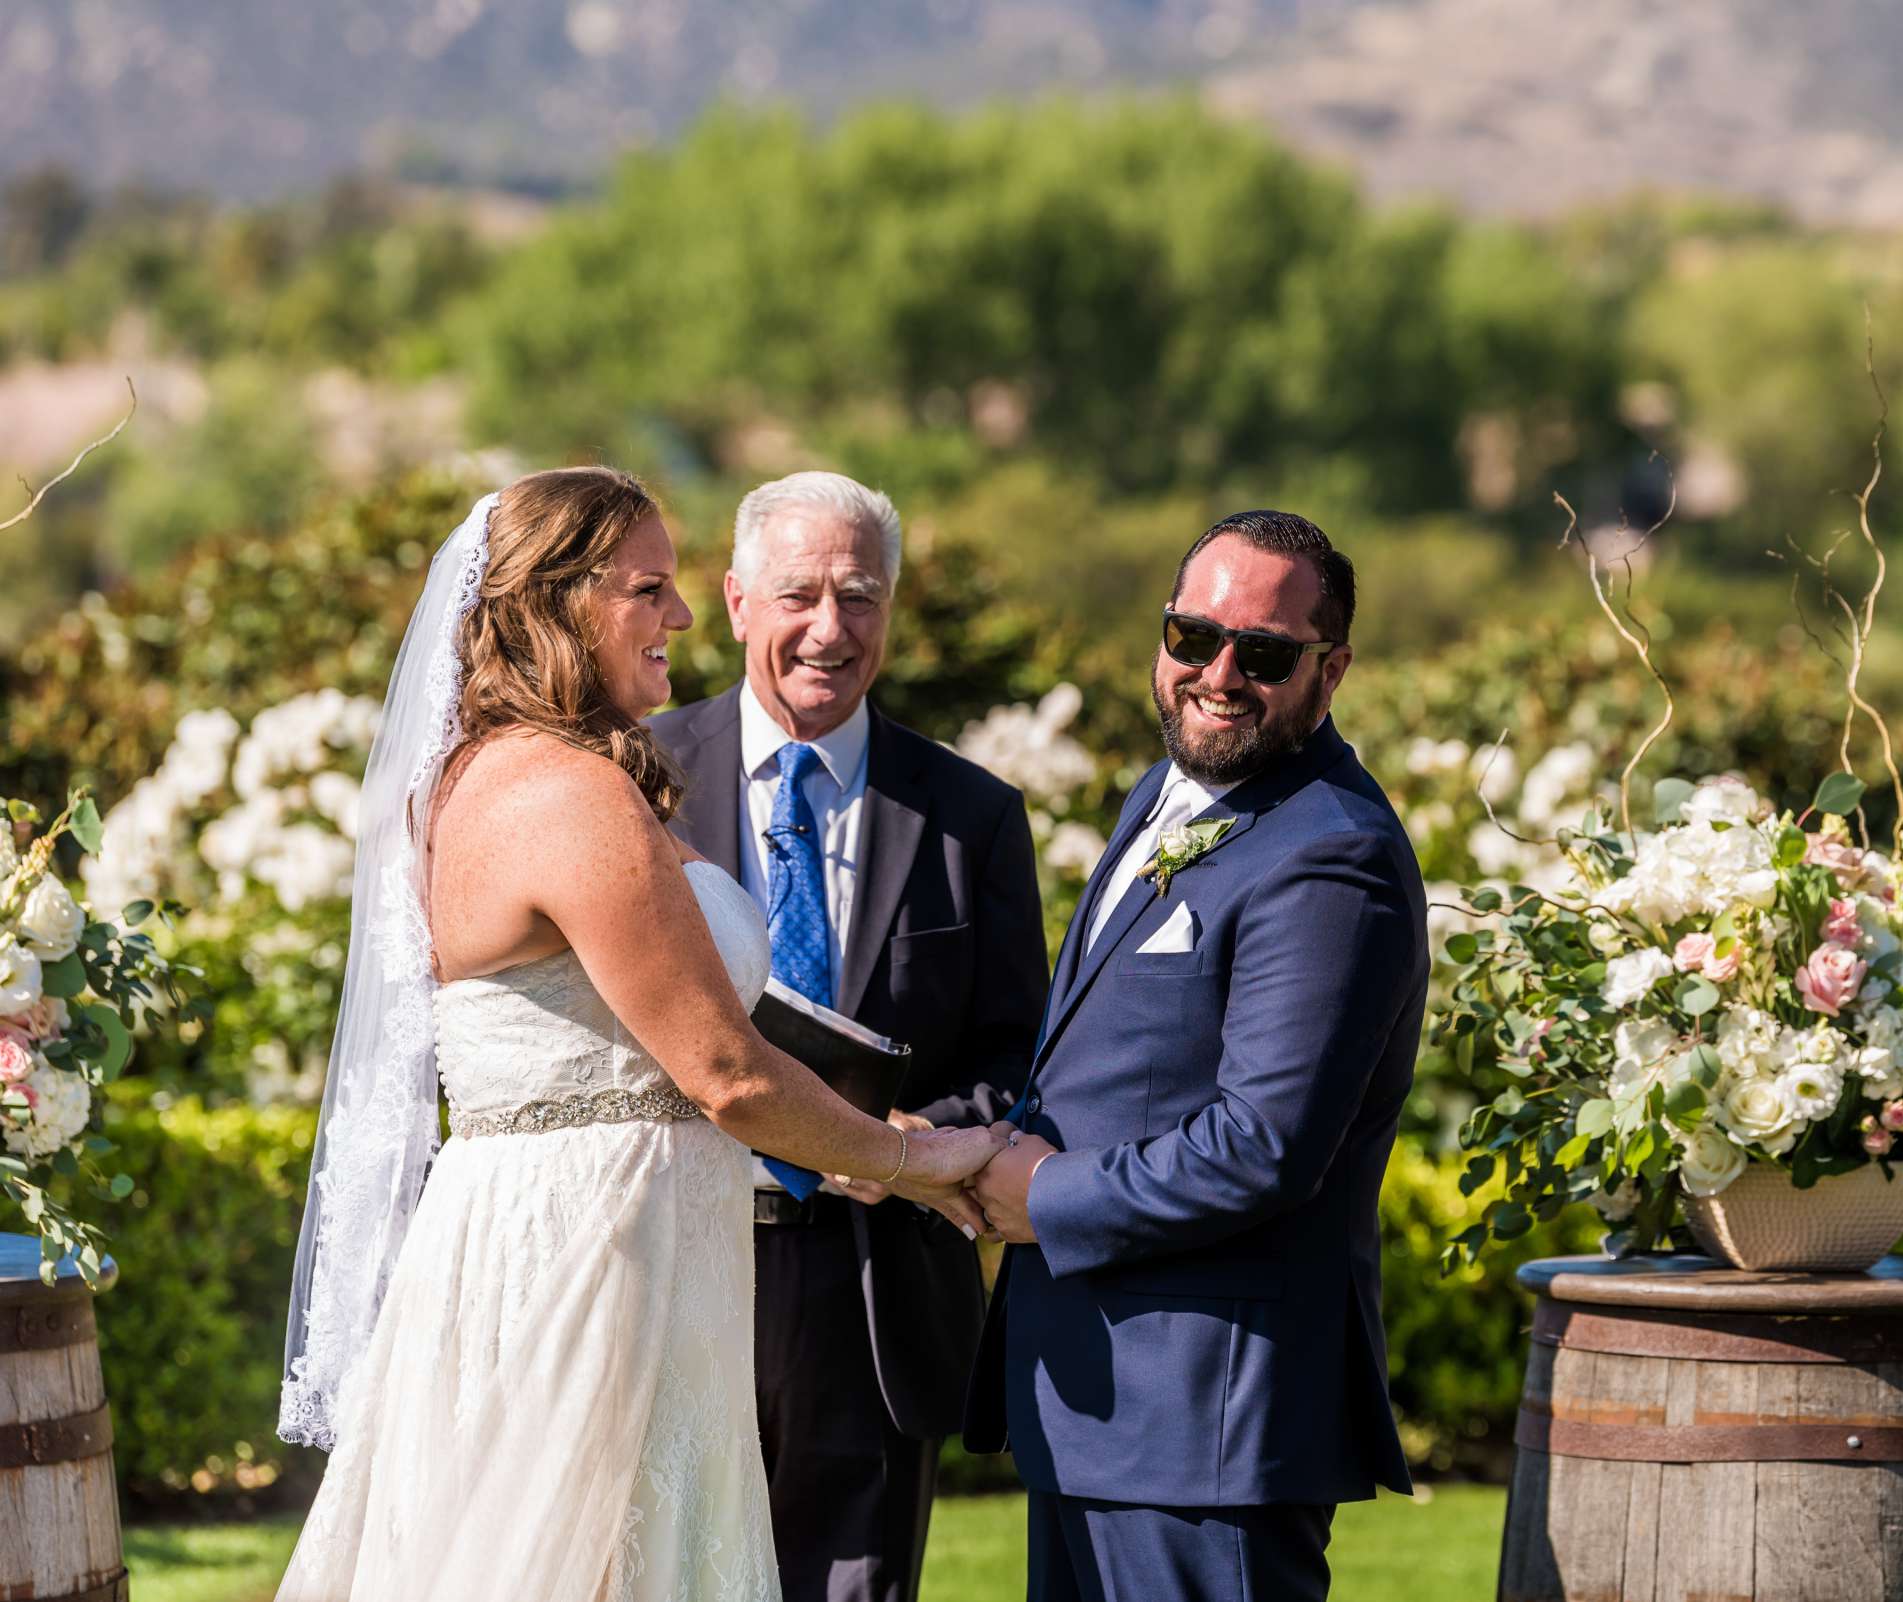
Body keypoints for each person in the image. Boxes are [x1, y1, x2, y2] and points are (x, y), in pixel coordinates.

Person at [272, 468, 1003, 1602]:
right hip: (597, 1256)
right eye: (649, 588)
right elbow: (725, 1073)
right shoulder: (566, 796)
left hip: (585, 1234)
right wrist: (922, 1161)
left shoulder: (493, 776)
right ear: (559, 602)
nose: (680, 618)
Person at [960, 510, 1426, 1602]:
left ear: (1332, 669)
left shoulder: (1331, 856)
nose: (1217, 674)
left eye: (1262, 654)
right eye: (1190, 637)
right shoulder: (1164, 795)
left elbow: (1263, 1146)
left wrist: (1050, 1195)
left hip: (1206, 1424)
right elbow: (1114, 1064)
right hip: (1096, 1403)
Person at [650, 471, 1046, 1602]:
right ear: (733, 602)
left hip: (882, 1295)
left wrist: (934, 1134)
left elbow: (1018, 1048)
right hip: (683, 1259)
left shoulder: (972, 814)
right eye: (799, 594)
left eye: (860, 596)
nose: (830, 629)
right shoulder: (636, 786)